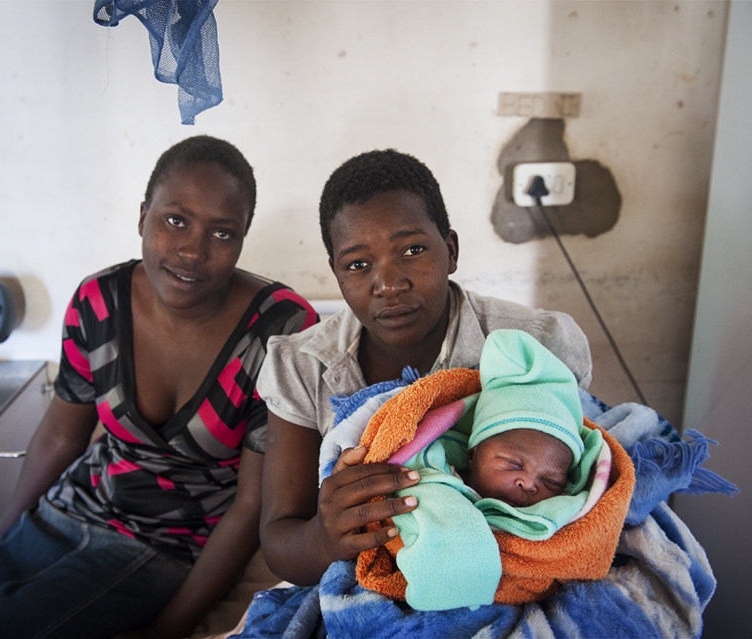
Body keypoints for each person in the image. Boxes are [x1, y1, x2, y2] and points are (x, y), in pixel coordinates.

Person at [0, 135, 318, 639]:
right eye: (175, 220)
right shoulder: (97, 301)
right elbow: (60, 437)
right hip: (66, 511)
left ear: (242, 238)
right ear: (143, 215)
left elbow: (251, 504)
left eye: (222, 232)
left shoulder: (280, 330)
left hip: (161, 547)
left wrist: (170, 628)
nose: (193, 250)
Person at [256, 148, 593, 588]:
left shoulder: (537, 348)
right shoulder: (302, 365)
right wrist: (324, 536)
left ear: (450, 250)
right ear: (337, 274)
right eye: (358, 264)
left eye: (413, 250)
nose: (389, 284)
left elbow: (588, 497)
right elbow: (281, 543)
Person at [380, 328, 607, 611]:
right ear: (472, 455)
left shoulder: (562, 510)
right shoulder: (434, 476)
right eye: (513, 464)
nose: (529, 483)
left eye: (551, 480)